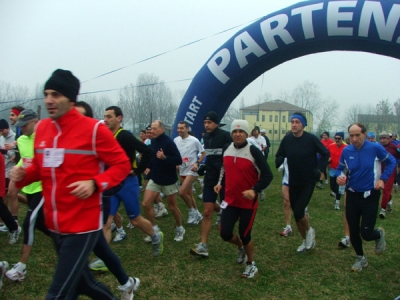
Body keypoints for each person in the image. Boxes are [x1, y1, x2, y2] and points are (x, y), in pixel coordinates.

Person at [10, 69, 133, 299]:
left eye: (55, 94)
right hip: (56, 223)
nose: (48, 100)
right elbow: (40, 168)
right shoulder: (44, 128)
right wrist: (23, 176)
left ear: (70, 98)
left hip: (83, 224)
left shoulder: (94, 129)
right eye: (46, 93)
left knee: (57, 294)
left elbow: (122, 165)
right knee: (84, 284)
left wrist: (95, 183)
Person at [214, 119, 273, 278]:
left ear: (247, 134)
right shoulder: (227, 148)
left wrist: (254, 191)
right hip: (230, 200)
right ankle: (240, 247)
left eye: (241, 132)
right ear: (231, 133)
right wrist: (220, 183)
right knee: (225, 233)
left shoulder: (253, 151)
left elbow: (268, 175)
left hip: (248, 202)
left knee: (245, 234)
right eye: (235, 131)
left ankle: (251, 264)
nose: (238, 134)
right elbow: (223, 168)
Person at [102, 106, 163, 257]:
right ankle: (103, 258)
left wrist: (137, 170)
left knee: (135, 220)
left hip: (128, 183)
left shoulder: (124, 136)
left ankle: (156, 236)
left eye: (109, 116)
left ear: (119, 118)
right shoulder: (105, 136)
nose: (106, 119)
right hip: (112, 184)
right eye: (105, 117)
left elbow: (147, 151)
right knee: (106, 221)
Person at [336, 123, 396, 272]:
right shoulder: (346, 150)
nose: (354, 139)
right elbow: (340, 170)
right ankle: (360, 258)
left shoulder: (374, 148)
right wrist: (340, 177)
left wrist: (383, 178)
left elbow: (391, 162)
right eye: (352, 135)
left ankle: (378, 234)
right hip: (352, 194)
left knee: (366, 233)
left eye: (358, 135)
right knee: (353, 230)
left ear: (365, 134)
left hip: (370, 194)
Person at [5, 109, 51, 282]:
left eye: (25, 125)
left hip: (43, 187)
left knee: (28, 222)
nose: (22, 128)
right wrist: (17, 168)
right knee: (39, 223)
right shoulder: (21, 140)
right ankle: (66, 242)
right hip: (29, 188)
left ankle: (21, 267)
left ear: (35, 121)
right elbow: (24, 159)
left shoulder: (45, 139)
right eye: (20, 126)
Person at [275, 112, 329, 252]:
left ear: (303, 125)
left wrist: (320, 169)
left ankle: (310, 231)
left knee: (299, 211)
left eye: (297, 122)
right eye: (292, 122)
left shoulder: (311, 139)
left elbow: (325, 153)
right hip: (293, 180)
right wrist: (279, 159)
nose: (294, 124)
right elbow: (280, 153)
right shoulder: (287, 140)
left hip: (308, 180)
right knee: (297, 214)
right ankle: (305, 241)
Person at [190, 111, 232, 257]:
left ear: (216, 123)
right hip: (210, 178)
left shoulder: (226, 136)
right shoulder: (206, 137)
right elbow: (210, 158)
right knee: (207, 212)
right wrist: (200, 167)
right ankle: (203, 245)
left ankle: (237, 238)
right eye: (205, 123)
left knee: (229, 211)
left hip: (225, 179)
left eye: (209, 123)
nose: (206, 125)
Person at [142, 120, 184, 246]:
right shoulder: (153, 141)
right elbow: (153, 157)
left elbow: (178, 160)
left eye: (155, 129)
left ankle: (180, 228)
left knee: (172, 207)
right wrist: (148, 166)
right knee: (145, 204)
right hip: (155, 178)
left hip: (169, 180)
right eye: (151, 129)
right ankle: (154, 230)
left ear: (162, 129)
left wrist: (165, 158)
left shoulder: (168, 143)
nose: (152, 131)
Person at [174, 121, 205, 225]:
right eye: (178, 128)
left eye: (182, 128)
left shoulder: (194, 140)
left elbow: (203, 153)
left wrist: (197, 163)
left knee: (182, 192)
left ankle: (191, 211)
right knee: (189, 194)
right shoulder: (176, 140)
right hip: (182, 169)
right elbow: (176, 154)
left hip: (192, 170)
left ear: (187, 129)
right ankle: (197, 214)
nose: (179, 130)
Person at [378, 131, 400, 219]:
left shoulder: (394, 147)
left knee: (386, 189)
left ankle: (383, 210)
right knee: (383, 190)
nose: (382, 140)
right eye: (381, 139)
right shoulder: (378, 147)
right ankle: (389, 201)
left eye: (384, 138)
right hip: (380, 170)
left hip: (390, 171)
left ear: (389, 139)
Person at [327, 132, 347, 210]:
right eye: (336, 138)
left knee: (339, 186)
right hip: (332, 168)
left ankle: (337, 203)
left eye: (339, 138)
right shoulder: (331, 146)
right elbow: (327, 154)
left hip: (342, 169)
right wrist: (328, 159)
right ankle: (336, 195)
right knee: (332, 186)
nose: (337, 140)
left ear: (342, 139)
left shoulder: (346, 147)